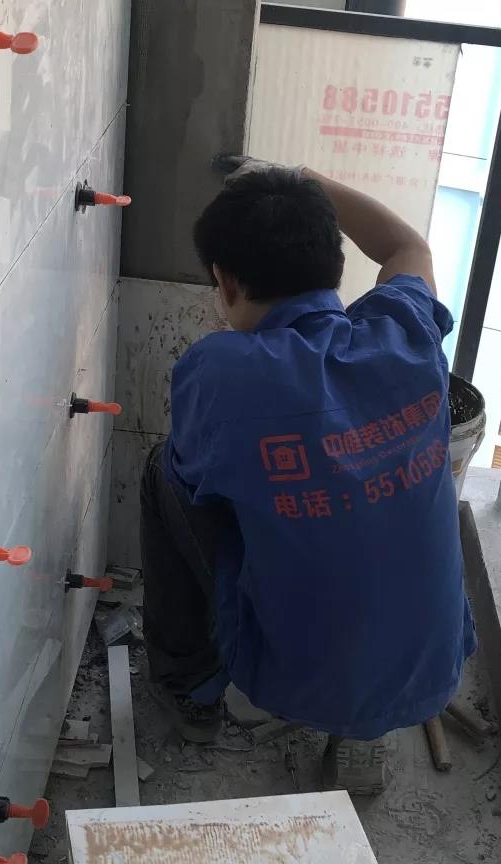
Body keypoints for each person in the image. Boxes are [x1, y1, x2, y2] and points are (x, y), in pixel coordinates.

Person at [139, 160, 475, 794]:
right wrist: (308, 182)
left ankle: (191, 687)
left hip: (286, 681)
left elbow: (198, 481)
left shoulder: (221, 372)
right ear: (334, 263)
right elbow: (407, 246)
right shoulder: (406, 335)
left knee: (166, 471)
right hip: (433, 668)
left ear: (225, 282)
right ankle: (365, 706)